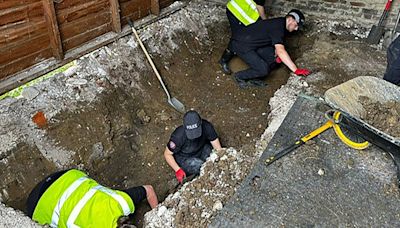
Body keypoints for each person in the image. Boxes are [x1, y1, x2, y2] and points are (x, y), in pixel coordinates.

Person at [26, 169, 158, 227]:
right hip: (39, 204)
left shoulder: (121, 202)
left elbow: (149, 190)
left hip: (67, 176)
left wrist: (158, 214)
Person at [223, 9, 311, 88]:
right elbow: (280, 50)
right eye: (296, 26)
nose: (296, 29)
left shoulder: (280, 23)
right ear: (291, 19)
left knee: (273, 58)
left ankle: (254, 77)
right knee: (263, 69)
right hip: (241, 44)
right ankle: (239, 76)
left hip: (251, 42)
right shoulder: (278, 27)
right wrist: (296, 70)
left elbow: (277, 45)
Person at [164, 110, 222, 184]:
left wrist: (220, 160)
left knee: (213, 157)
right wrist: (178, 170)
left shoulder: (207, 126)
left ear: (200, 123)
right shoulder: (178, 136)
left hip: (201, 149)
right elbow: (167, 154)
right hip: (184, 158)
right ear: (185, 127)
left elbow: (218, 149)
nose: (194, 136)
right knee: (202, 167)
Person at [219, 0, 267, 75]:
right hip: (238, 13)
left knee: (240, 36)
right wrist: (266, 22)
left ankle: (235, 50)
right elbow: (259, 7)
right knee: (237, 37)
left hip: (237, 9)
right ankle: (224, 60)